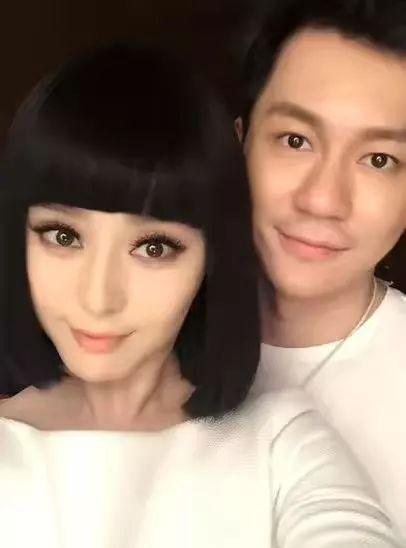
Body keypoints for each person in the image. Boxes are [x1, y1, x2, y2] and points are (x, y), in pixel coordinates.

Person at [0, 43, 402, 548]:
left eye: (153, 247)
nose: (99, 298)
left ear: (211, 258)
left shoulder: (283, 441)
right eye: (63, 237)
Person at [236, 0, 406, 540]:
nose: (323, 200)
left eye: (379, 160)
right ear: (239, 142)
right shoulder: (121, 331)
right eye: (296, 140)